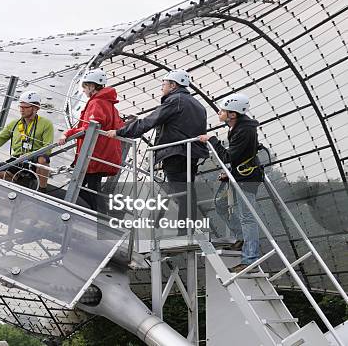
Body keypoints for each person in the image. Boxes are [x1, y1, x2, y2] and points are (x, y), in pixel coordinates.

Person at [107, 69, 208, 235]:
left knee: (181, 193)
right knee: (187, 192)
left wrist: (120, 131)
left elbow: (150, 121)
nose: (162, 88)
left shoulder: (176, 100)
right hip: (191, 154)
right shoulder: (198, 105)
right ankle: (184, 229)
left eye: (164, 84)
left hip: (176, 153)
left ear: (173, 85)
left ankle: (183, 232)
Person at [199, 93, 262, 273]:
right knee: (220, 204)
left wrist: (212, 141)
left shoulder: (244, 130)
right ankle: (241, 238)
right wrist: (231, 172)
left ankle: (250, 259)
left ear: (233, 114)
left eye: (223, 110)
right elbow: (238, 156)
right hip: (240, 174)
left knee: (247, 217)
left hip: (247, 178)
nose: (219, 112)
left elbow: (227, 156)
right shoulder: (239, 127)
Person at [58, 68, 124, 213]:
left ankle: (100, 218)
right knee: (84, 188)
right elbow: (119, 125)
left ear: (92, 87)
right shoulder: (109, 104)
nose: (83, 91)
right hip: (104, 155)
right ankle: (88, 214)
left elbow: (89, 128)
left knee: (87, 188)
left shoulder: (97, 103)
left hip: (95, 155)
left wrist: (68, 133)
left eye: (85, 87)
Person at [0, 91, 54, 191]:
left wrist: (30, 155)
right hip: (17, 160)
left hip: (34, 160)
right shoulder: (14, 124)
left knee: (43, 158)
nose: (21, 110)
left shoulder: (46, 124)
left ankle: (42, 190)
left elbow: (48, 149)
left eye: (25, 107)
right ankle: (14, 180)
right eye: (20, 107)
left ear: (36, 108)